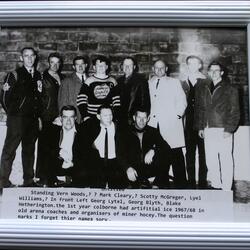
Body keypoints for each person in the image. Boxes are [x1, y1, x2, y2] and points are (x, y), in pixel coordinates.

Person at [0, 47, 42, 187]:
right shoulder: (14, 74)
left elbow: (39, 98)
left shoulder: (38, 75)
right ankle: (3, 181)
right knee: (9, 150)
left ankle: (28, 181)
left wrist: (38, 117)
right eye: (26, 56)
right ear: (21, 58)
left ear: (35, 57)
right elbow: (5, 98)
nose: (29, 58)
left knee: (29, 150)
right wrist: (13, 114)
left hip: (32, 120)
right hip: (17, 119)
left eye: (32, 56)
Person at [195, 61, 240, 191]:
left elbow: (235, 111)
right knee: (211, 160)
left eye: (217, 70)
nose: (214, 73)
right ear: (208, 72)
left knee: (226, 159)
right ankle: (216, 185)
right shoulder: (205, 88)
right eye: (211, 70)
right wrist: (201, 127)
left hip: (223, 130)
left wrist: (229, 129)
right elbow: (201, 109)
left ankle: (226, 188)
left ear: (222, 72)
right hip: (208, 129)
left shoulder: (230, 89)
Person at [148, 59, 187, 188]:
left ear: (166, 69)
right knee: (160, 153)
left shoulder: (174, 82)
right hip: (154, 123)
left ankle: (181, 183)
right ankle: (161, 181)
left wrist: (176, 115)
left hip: (171, 124)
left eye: (162, 67)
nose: (159, 70)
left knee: (176, 153)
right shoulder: (149, 83)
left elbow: (182, 101)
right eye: (156, 68)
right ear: (153, 69)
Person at [77, 104, 127, 188]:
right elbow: (77, 129)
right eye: (105, 115)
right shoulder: (91, 127)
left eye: (110, 115)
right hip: (98, 164)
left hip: (115, 164)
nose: (109, 118)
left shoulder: (120, 128)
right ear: (98, 116)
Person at [119, 109, 168, 188]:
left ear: (148, 118)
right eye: (139, 117)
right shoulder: (125, 132)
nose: (141, 120)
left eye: (144, 117)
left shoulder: (153, 131)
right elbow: (120, 153)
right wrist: (127, 168)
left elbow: (166, 147)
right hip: (133, 169)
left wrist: (153, 150)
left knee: (166, 154)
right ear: (134, 117)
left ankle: (156, 183)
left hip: (149, 168)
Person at [36, 52, 65, 186]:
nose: (55, 65)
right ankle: (43, 178)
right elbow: (38, 99)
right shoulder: (42, 77)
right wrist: (39, 117)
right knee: (44, 148)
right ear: (48, 63)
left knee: (56, 148)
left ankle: (52, 176)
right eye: (52, 62)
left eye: (57, 62)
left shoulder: (62, 77)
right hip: (46, 117)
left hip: (60, 118)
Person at [180, 55, 208, 188]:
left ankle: (202, 181)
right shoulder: (182, 82)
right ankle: (190, 181)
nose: (192, 66)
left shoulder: (207, 81)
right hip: (188, 122)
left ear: (200, 65)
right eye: (189, 63)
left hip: (202, 122)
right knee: (189, 153)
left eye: (195, 63)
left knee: (203, 153)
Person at [42, 105, 83, 187]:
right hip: (58, 165)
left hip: (74, 167)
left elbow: (85, 154)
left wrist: (72, 164)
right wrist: (60, 151)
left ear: (75, 118)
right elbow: (46, 149)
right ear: (61, 118)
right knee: (48, 162)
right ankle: (63, 179)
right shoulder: (54, 131)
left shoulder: (82, 132)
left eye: (71, 117)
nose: (68, 121)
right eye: (65, 117)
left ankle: (64, 179)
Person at [77, 55, 120, 122]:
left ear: (106, 67)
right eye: (98, 65)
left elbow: (116, 101)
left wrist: (116, 116)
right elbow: (81, 100)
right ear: (94, 67)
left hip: (108, 117)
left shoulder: (112, 81)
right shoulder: (89, 81)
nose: (100, 67)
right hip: (92, 116)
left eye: (103, 65)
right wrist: (85, 115)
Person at [117, 57, 150, 127]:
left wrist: (139, 120)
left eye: (130, 65)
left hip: (133, 120)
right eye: (125, 65)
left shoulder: (141, 81)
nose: (127, 67)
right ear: (122, 66)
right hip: (120, 120)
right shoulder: (118, 81)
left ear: (134, 67)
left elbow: (145, 103)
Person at [58, 55, 88, 123]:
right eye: (77, 65)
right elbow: (62, 102)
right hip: (73, 117)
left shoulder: (91, 80)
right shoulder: (66, 81)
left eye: (82, 64)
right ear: (74, 67)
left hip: (88, 117)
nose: (80, 67)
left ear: (86, 65)